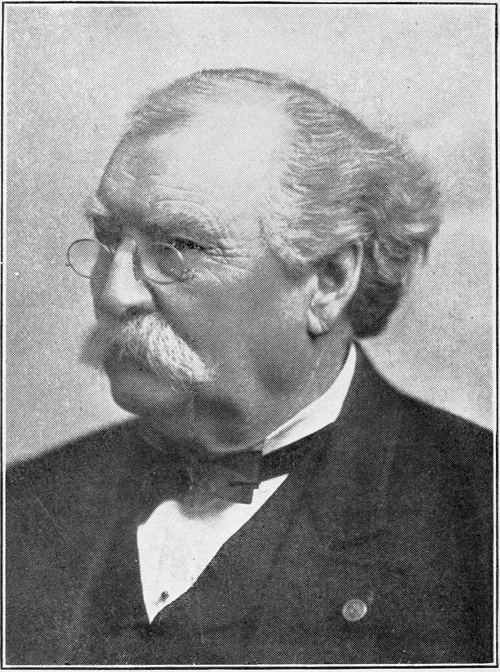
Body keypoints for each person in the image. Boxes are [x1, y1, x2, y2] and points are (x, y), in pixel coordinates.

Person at [6, 68, 492, 665]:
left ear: (329, 282)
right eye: (109, 238)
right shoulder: (26, 503)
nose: (113, 294)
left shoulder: (478, 517)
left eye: (179, 247)